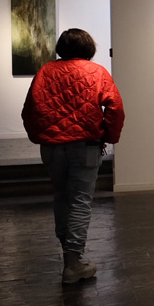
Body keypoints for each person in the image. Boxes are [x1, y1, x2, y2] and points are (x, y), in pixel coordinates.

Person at [22, 28, 124, 284]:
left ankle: (69, 256)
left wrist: (40, 136)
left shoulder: (46, 72)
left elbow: (29, 110)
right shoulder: (96, 71)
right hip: (86, 146)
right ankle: (73, 263)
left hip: (52, 148)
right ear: (89, 47)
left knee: (61, 197)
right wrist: (110, 136)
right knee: (80, 201)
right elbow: (115, 108)